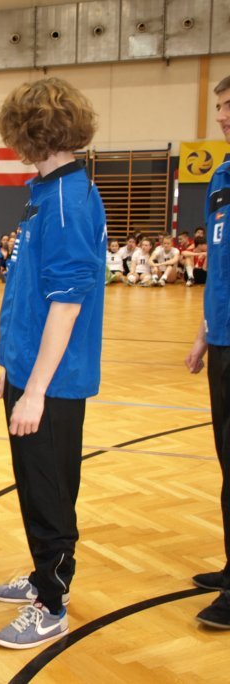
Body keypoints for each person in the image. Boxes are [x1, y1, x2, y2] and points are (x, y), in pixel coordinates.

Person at [0, 77, 105, 649]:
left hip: (52, 383)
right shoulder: (48, 190)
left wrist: (34, 389)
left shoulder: (66, 200)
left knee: (51, 491)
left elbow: (66, 302)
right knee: (35, 486)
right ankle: (41, 575)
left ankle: (53, 601)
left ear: (29, 131)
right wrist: (12, 367)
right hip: (29, 370)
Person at [185, 73, 230, 628]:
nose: (222, 115)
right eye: (220, 106)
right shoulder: (220, 176)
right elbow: (219, 266)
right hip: (222, 340)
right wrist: (202, 331)